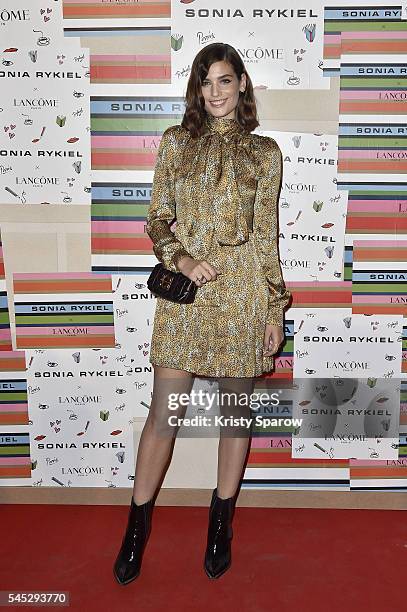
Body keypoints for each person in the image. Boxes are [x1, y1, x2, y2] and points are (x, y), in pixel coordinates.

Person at [113, 42, 291, 585]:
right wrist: (181, 258)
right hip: (185, 298)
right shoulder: (175, 144)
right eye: (205, 82)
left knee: (235, 414)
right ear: (197, 88)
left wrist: (274, 306)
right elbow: (157, 220)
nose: (215, 92)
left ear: (241, 84)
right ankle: (136, 529)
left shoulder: (264, 153)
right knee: (164, 414)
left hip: (241, 294)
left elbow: (266, 237)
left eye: (224, 80)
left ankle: (221, 524)